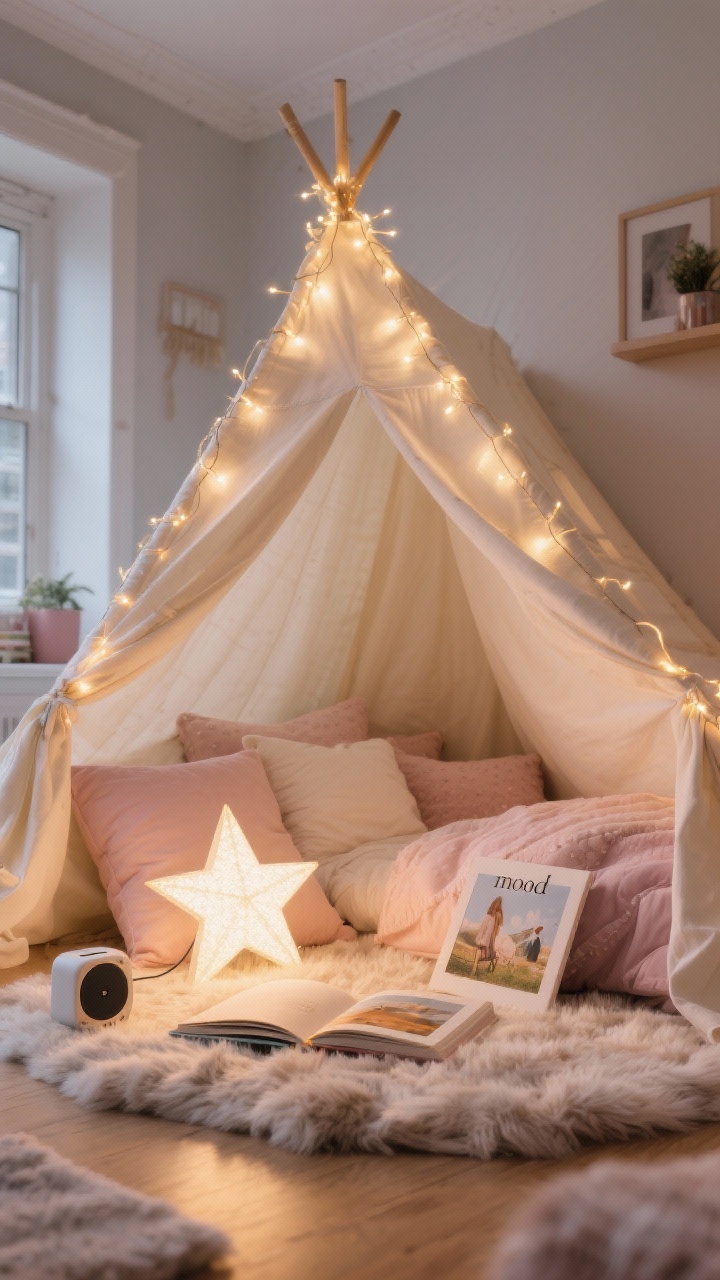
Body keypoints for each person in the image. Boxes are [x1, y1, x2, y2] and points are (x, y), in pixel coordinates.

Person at [470, 896, 503, 976]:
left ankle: (474, 969)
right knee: (482, 951)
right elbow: (487, 929)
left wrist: (479, 940)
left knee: (480, 951)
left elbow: (484, 928)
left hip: (487, 940)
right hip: (489, 941)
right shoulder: (496, 915)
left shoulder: (491, 915)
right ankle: (474, 968)